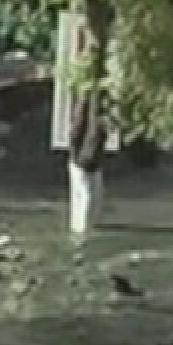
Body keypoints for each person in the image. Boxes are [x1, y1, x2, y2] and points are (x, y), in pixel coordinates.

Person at [67, 91, 109, 244]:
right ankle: (85, 229)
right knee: (87, 194)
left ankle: (83, 228)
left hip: (80, 161)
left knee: (85, 125)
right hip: (86, 162)